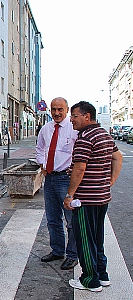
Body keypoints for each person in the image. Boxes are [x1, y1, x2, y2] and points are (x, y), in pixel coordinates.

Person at [64, 101, 123, 292]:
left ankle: (90, 280)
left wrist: (70, 195)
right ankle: (102, 275)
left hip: (86, 199)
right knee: (97, 238)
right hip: (102, 197)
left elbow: (80, 168)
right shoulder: (104, 134)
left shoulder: (85, 138)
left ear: (86, 116)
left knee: (85, 239)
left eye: (74, 116)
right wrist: (110, 181)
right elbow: (117, 157)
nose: (71, 120)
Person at [36, 97, 79, 270]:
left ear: (67, 110)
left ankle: (72, 255)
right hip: (50, 178)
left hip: (66, 179)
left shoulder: (73, 128)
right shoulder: (46, 129)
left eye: (60, 109)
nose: (56, 113)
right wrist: (42, 165)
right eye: (53, 109)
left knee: (71, 220)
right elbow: (39, 148)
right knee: (52, 219)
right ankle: (57, 250)